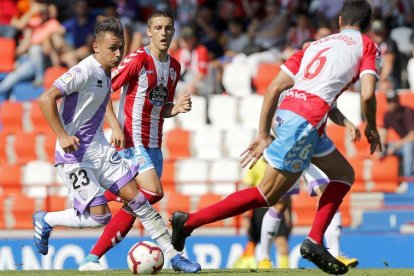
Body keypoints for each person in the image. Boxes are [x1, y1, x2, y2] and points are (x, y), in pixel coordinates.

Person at [170, 1, 381, 275]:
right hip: (307, 122)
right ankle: (188, 223)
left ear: (340, 21)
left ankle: (315, 240)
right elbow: (366, 94)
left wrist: (263, 134)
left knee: (343, 174)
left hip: (291, 115)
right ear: (366, 25)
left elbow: (272, 89)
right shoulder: (366, 45)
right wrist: (372, 126)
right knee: (266, 194)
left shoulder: (314, 45)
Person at [31, 16, 200, 273]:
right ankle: (46, 220)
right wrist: (63, 136)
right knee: (100, 217)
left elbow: (104, 97)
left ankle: (174, 257)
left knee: (139, 200)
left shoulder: (107, 71)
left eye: (120, 47)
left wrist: (116, 123)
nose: (119, 53)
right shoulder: (84, 71)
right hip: (74, 155)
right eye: (112, 48)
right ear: (96, 47)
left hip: (100, 149)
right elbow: (46, 99)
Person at [379, 90, 414, 179]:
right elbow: (383, 132)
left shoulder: (407, 112)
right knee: (381, 148)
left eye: (394, 101)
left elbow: (412, 135)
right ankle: (385, 179)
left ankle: (408, 178)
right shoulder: (387, 114)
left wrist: (395, 147)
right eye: (390, 102)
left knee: (408, 146)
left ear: (398, 101)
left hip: (409, 144)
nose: (392, 104)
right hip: (403, 143)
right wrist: (382, 146)